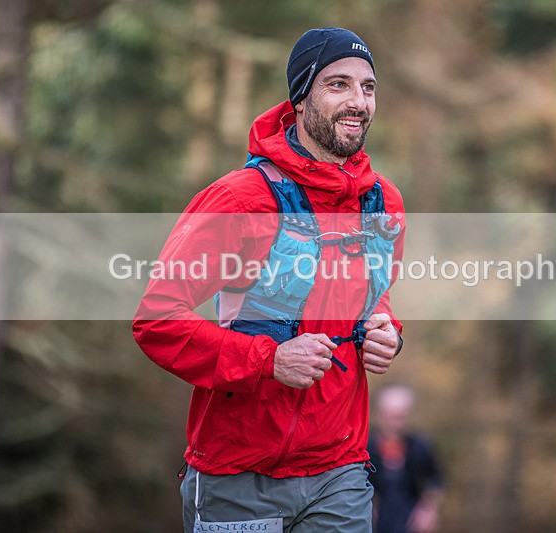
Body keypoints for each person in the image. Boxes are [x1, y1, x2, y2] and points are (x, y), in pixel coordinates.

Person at [133, 27, 406, 533]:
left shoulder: (383, 204)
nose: (359, 102)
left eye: (368, 88)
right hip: (237, 475)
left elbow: (376, 295)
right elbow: (157, 320)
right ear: (300, 99)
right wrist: (269, 359)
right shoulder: (240, 200)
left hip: (339, 471)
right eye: (338, 85)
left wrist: (386, 328)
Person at [367, 385, 444, 533]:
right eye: (389, 416)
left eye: (400, 416)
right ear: (379, 415)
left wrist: (428, 510)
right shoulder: (365, 448)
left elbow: (436, 479)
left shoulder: (420, 446)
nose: (394, 423)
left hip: (410, 521)